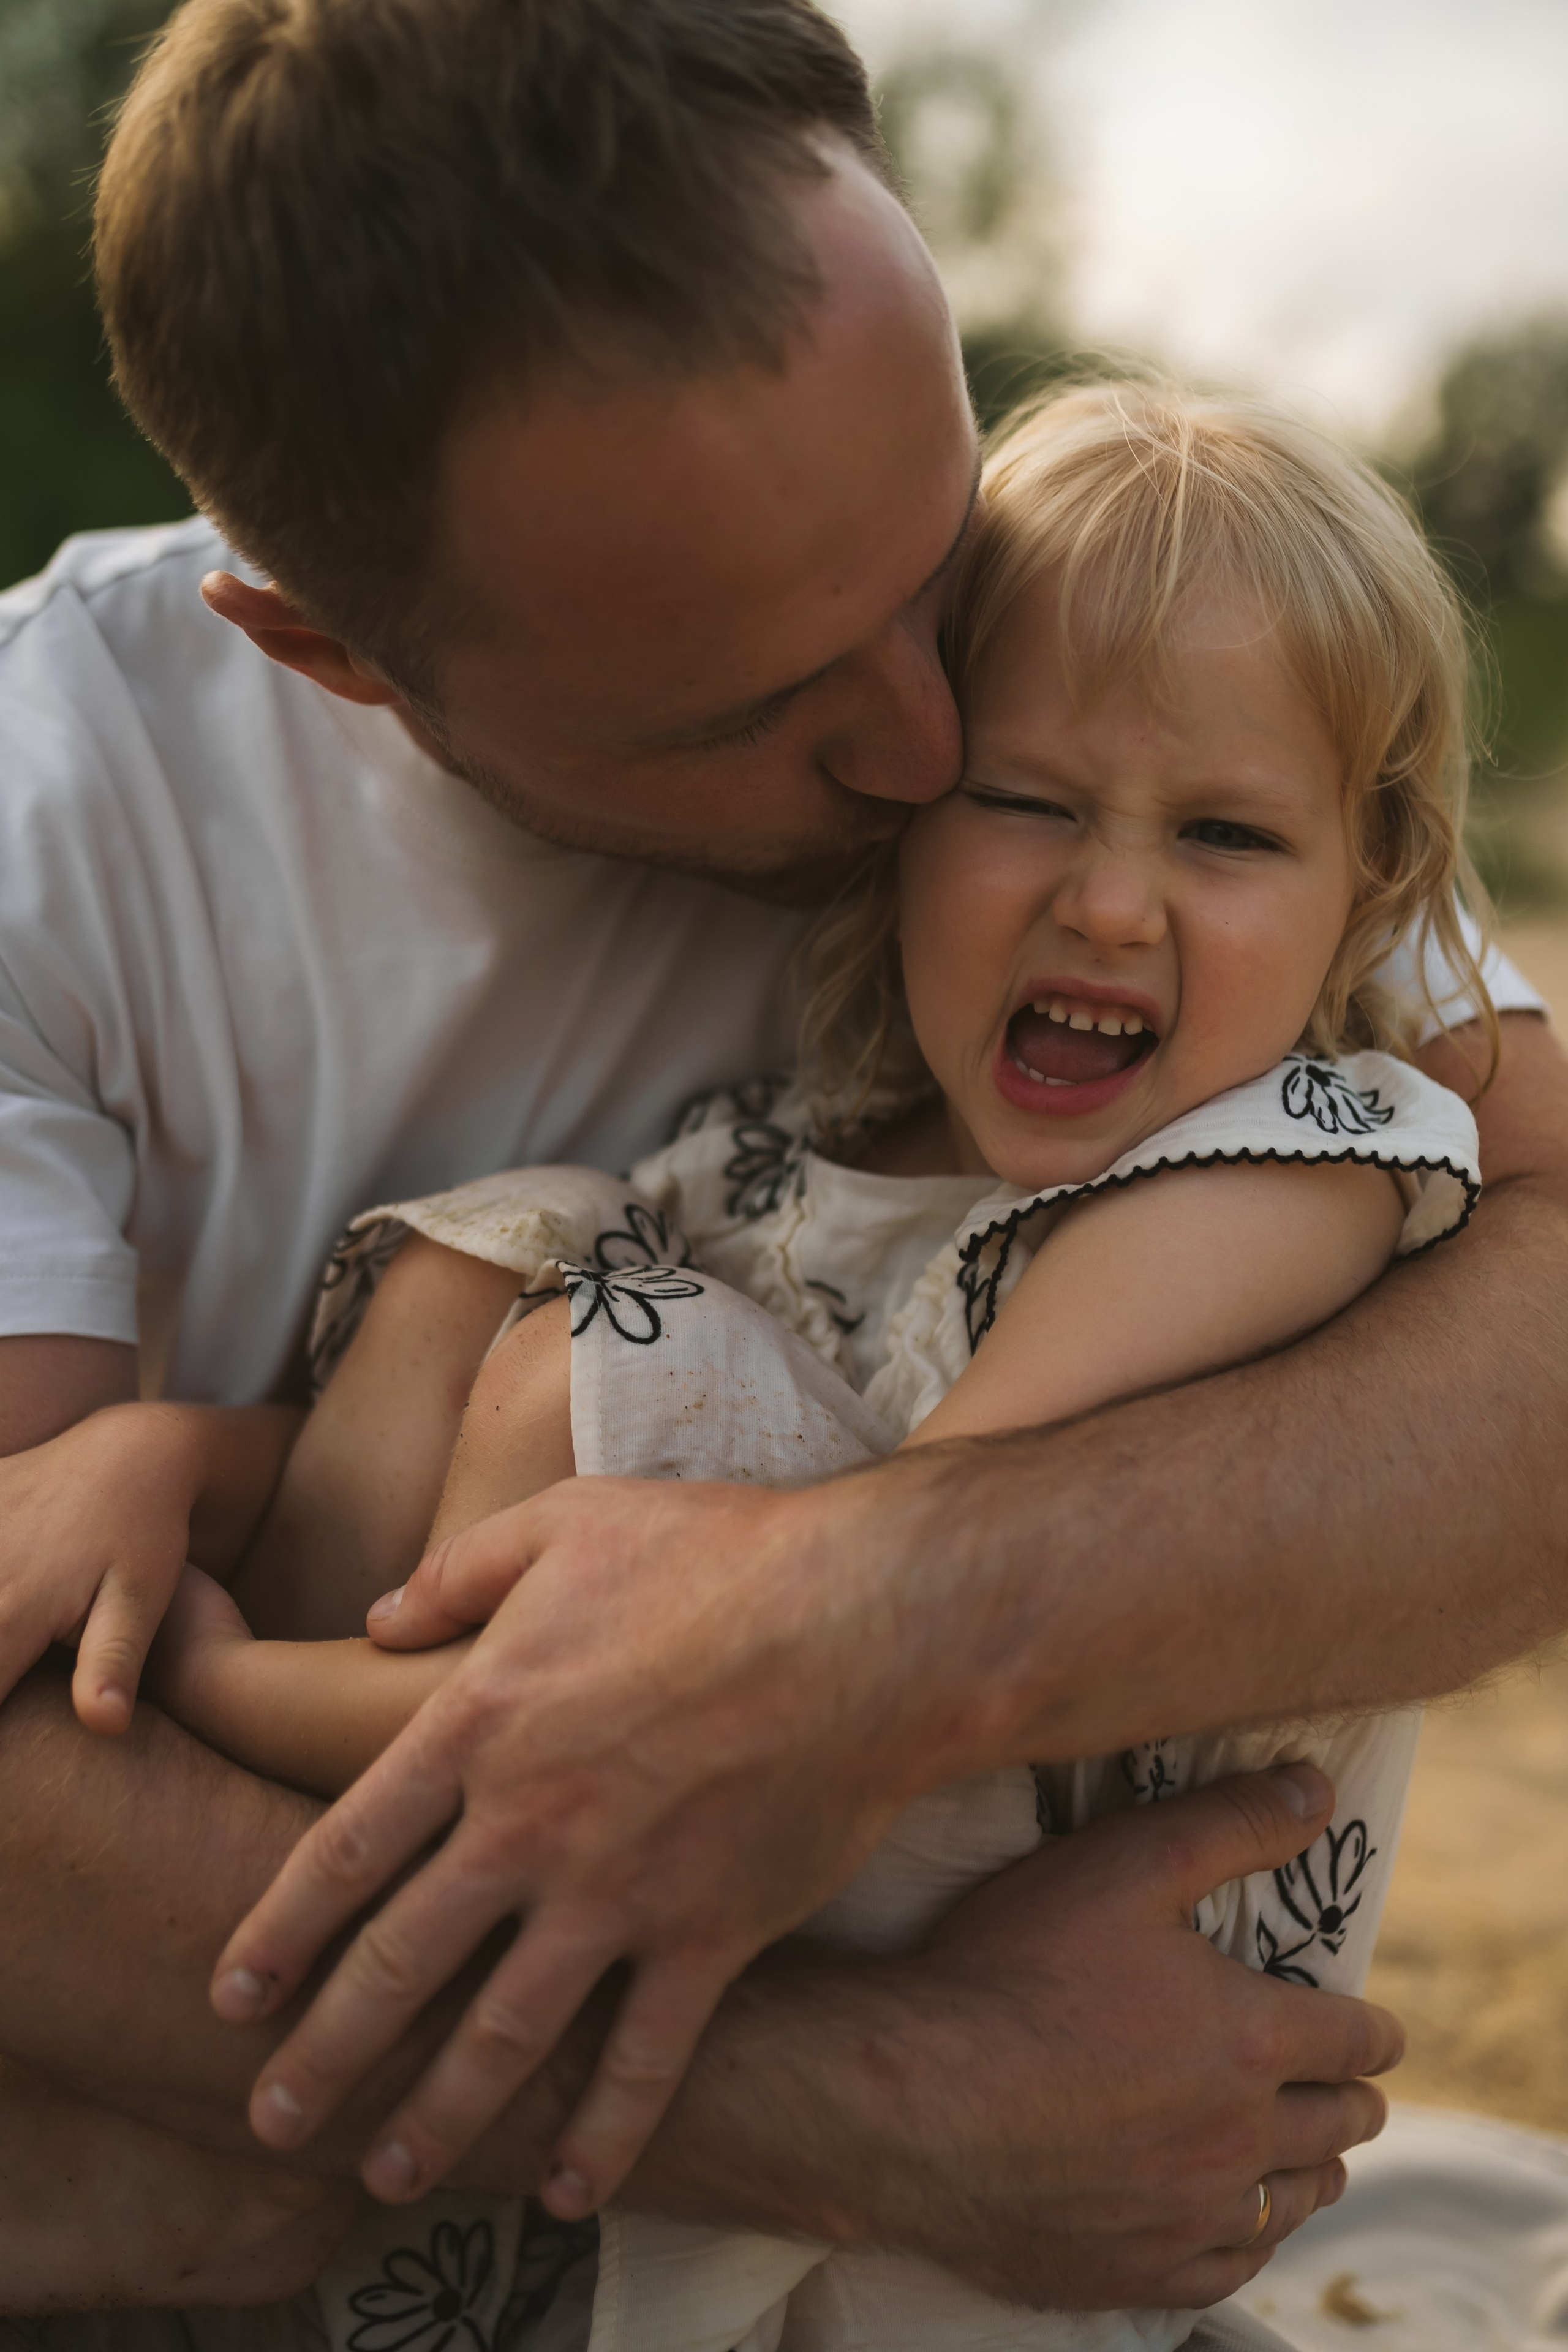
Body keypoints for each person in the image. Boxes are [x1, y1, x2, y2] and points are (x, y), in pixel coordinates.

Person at [0, 0, 1558, 2339]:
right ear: (330, 649)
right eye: (763, 704)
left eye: (932, 577)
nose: (940, 746)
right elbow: (33, 1799)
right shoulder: (53, 836)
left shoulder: (1090, 673)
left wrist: (869, 1633)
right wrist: (897, 2108)